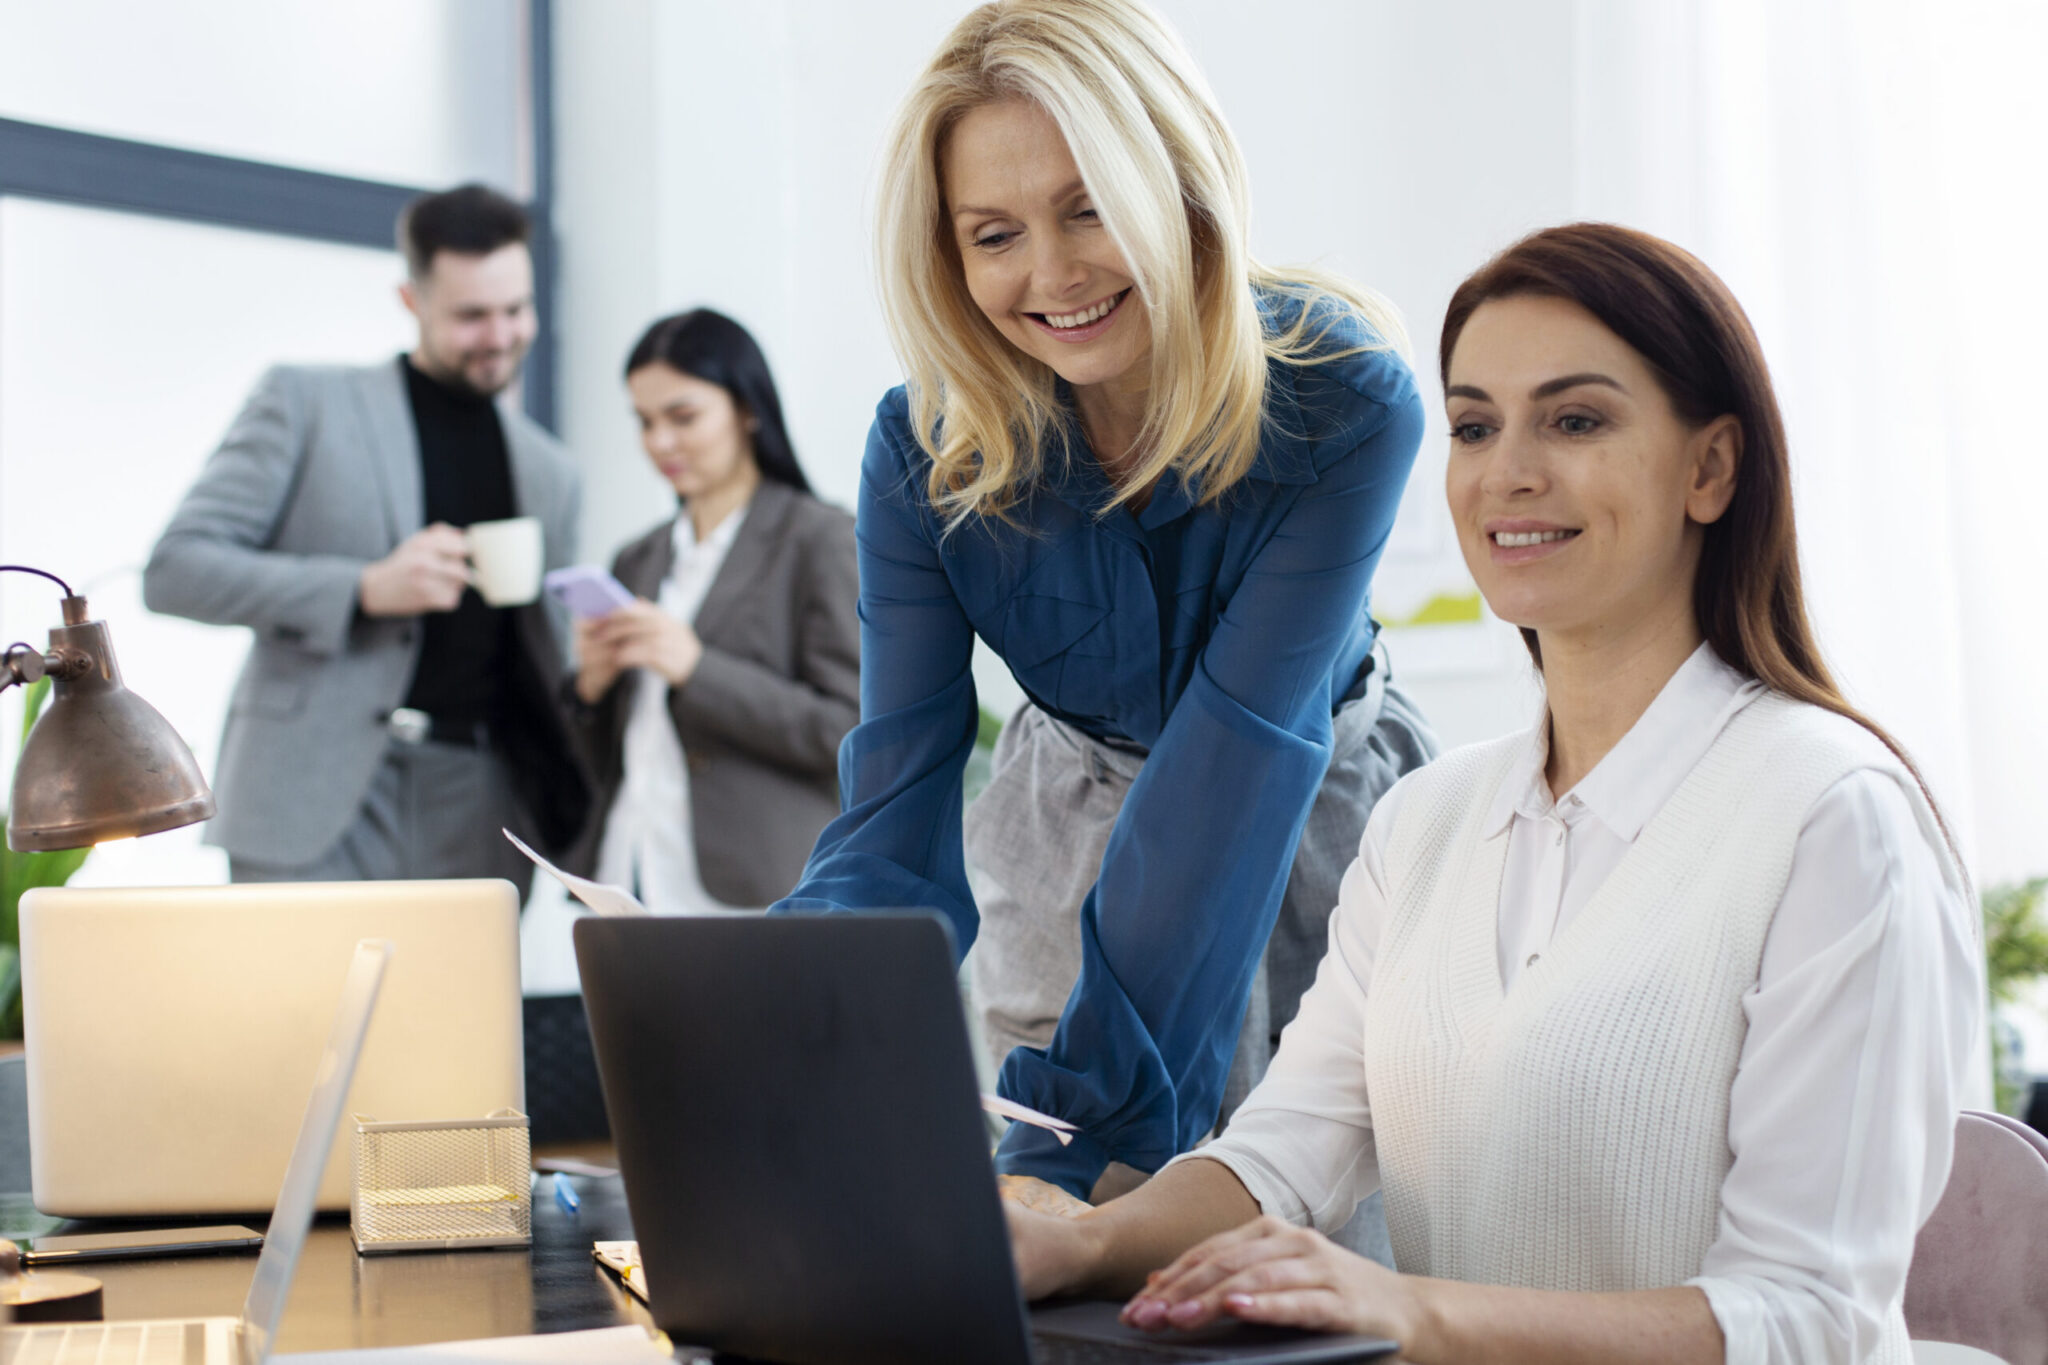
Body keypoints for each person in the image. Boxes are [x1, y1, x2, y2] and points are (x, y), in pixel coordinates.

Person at [1007, 223, 1985, 1365]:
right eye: (1474, 426)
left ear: (1709, 468)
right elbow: (1284, 1152)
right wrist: (1078, 1242)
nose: (1507, 471)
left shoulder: (1831, 818)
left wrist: (1410, 1311)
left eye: (1574, 420)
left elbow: (1808, 1317)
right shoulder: (1424, 821)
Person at [771, 0, 1436, 1211]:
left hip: (1316, 815)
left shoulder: (1343, 398)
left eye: (1088, 207)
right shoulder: (920, 448)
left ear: (1179, 185)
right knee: (1056, 1237)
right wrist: (795, 1023)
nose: (1051, 275)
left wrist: (1076, 1137)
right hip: (1061, 804)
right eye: (993, 234)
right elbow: (898, 793)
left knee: (1318, 1229)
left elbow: (1234, 762)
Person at [144, 183, 589, 891]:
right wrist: (362, 588)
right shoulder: (305, 403)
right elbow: (174, 569)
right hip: (314, 791)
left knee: (456, 1007)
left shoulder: (552, 471)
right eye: (472, 315)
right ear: (411, 301)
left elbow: (546, 650)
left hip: (480, 802)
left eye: (516, 310)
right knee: (301, 1005)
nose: (501, 336)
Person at [567, 309, 858, 912]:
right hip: (631, 872)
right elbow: (612, 750)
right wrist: (590, 690)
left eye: (683, 416)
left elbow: (848, 729)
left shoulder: (818, 539)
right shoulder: (637, 559)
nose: (660, 442)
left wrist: (696, 668)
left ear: (747, 409)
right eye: (645, 422)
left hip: (752, 886)